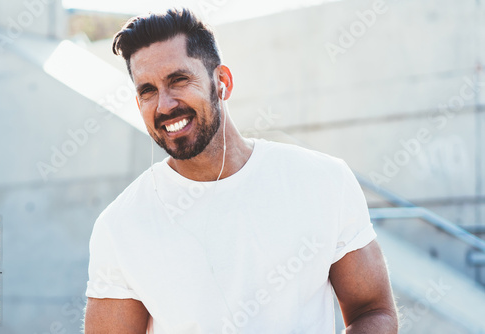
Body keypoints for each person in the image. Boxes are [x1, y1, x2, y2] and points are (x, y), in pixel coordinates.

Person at [84, 8, 398, 334]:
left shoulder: (323, 180)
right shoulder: (121, 225)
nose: (164, 105)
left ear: (223, 82)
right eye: (147, 90)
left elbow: (373, 311)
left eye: (178, 80)